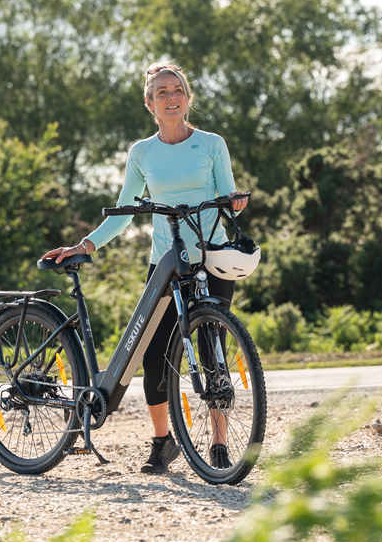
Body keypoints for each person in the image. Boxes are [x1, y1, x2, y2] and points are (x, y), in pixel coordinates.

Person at [42, 62, 248, 474]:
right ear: (150, 104)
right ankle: (161, 441)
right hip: (165, 264)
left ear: (187, 98)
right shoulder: (142, 152)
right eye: (162, 93)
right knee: (154, 353)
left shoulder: (211, 144)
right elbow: (124, 211)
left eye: (177, 91)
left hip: (210, 258)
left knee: (212, 352)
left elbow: (227, 193)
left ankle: (220, 446)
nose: (171, 98)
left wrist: (235, 200)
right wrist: (87, 243)